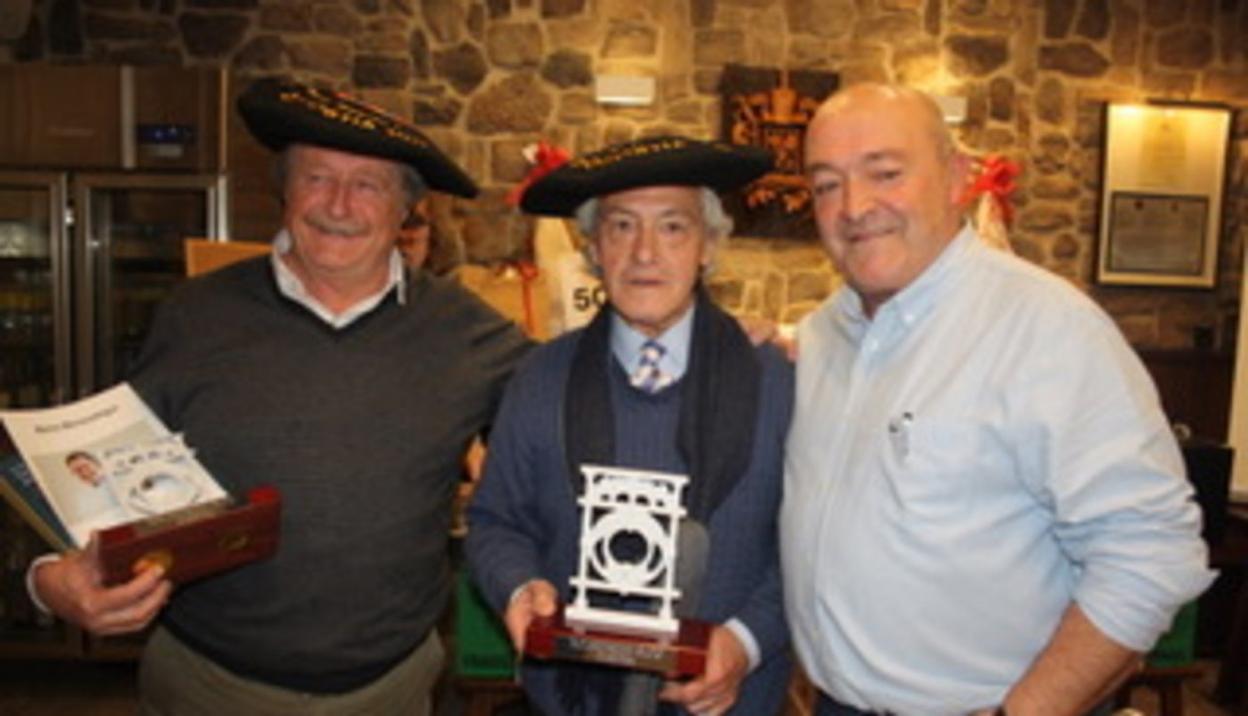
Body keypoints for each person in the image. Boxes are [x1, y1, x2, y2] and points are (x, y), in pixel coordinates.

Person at [28, 78, 530, 715]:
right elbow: (103, 468)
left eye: (369, 184)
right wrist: (48, 579)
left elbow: (577, 430)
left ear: (407, 210)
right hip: (205, 687)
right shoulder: (195, 315)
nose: (339, 205)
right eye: (316, 177)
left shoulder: (471, 334)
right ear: (284, 191)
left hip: (391, 693)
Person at [781, 82, 1216, 716]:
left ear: (959, 178)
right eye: (826, 184)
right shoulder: (823, 336)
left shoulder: (1046, 328)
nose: (854, 206)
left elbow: (1151, 554)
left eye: (886, 173)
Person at [467, 136, 793, 716]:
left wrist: (745, 643)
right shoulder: (540, 376)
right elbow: (496, 520)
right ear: (593, 248)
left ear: (708, 248)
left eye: (672, 227)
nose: (645, 252)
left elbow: (811, 549)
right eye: (621, 227)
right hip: (571, 704)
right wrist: (519, 586)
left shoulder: (778, 382)